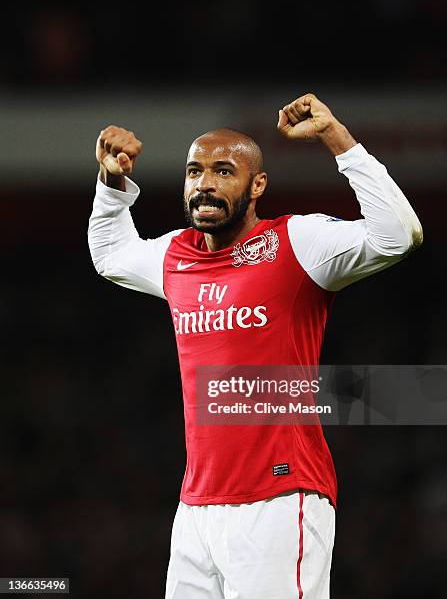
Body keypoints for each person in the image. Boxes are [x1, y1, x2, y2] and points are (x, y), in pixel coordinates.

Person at [87, 93, 422, 598]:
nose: (205, 184)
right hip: (197, 506)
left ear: (257, 184)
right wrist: (112, 183)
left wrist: (337, 139)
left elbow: (399, 235)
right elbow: (111, 253)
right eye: (195, 171)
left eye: (224, 171)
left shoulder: (296, 243)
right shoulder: (176, 256)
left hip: (281, 499)